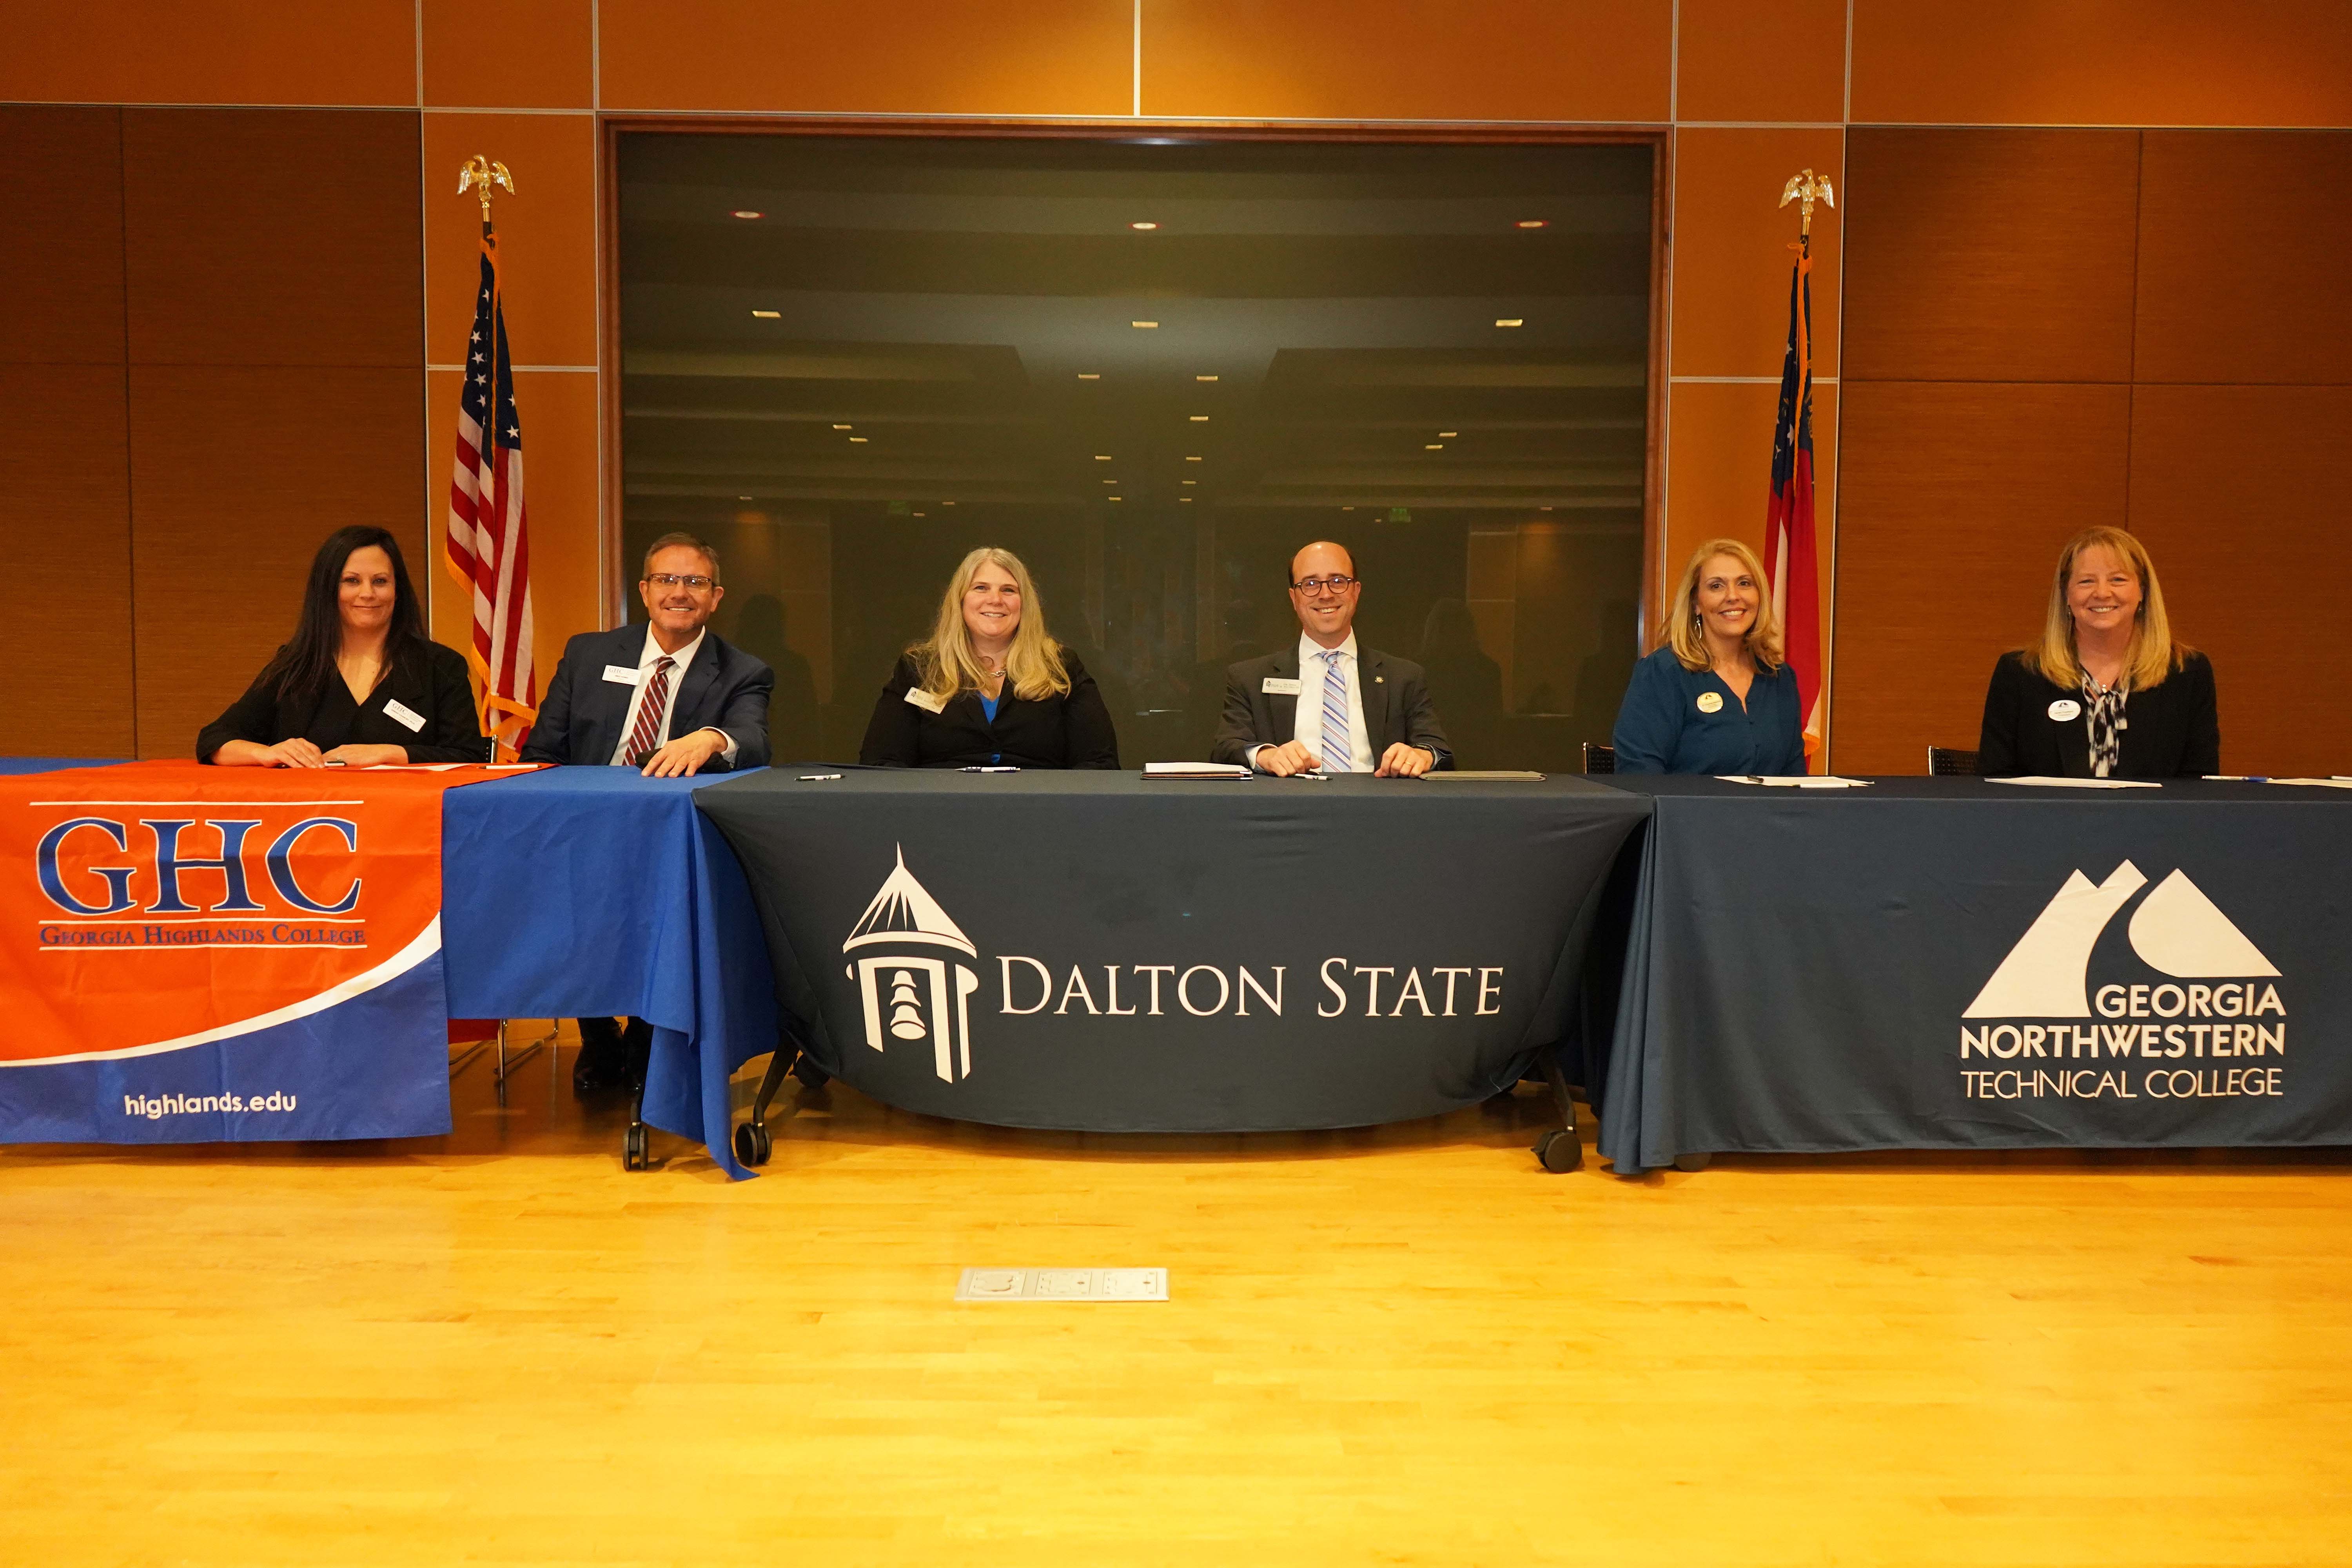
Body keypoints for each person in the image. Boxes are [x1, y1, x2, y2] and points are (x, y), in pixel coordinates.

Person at [523, 531, 774, 1092]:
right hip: (583, 829)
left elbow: (753, 740)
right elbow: (542, 752)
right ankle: (597, 1036)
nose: (679, 592)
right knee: (573, 908)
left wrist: (710, 739)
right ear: (644, 590)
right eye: (667, 579)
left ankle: (645, 1034)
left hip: (671, 837)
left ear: (716, 597)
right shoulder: (590, 654)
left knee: (657, 914)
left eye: (695, 582)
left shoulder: (742, 671)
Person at [200, 526, 484, 767]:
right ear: (328, 590)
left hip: (412, 822)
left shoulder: (441, 666)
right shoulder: (296, 665)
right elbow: (215, 739)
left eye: (380, 581)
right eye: (351, 581)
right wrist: (267, 753)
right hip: (318, 823)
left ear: (398, 590)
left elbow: (469, 755)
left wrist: (389, 754)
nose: (367, 593)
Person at [1976, 526, 2218, 779]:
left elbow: (2198, 784)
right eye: (2086, 581)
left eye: (2118, 580)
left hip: (2152, 819)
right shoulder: (2020, 673)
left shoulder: (2186, 672)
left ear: (2143, 592)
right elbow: (1995, 780)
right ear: (2066, 595)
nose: (2102, 593)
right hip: (2046, 818)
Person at [859, 546, 1119, 769]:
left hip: (1041, 815)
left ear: (1024, 604)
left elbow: (1099, 762)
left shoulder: (1061, 666)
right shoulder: (918, 669)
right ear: (960, 600)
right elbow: (882, 761)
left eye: (1009, 590)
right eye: (981, 588)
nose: (995, 600)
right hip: (941, 816)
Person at [1211, 541, 1451, 776]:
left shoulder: (1404, 678)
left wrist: (1422, 755)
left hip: (1379, 809)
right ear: (1294, 599)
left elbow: (1439, 751)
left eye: (1338, 581)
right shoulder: (1250, 679)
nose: (1325, 594)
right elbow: (1225, 749)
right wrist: (1265, 756)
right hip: (1290, 808)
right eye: (1311, 583)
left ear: (1356, 592)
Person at [1612, 538, 1804, 775]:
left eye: (1744, 583)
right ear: (1696, 603)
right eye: (1716, 586)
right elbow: (1639, 774)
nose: (1733, 596)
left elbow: (1794, 779)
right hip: (1685, 813)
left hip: (1769, 814)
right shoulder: (1663, 673)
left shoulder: (1779, 677)